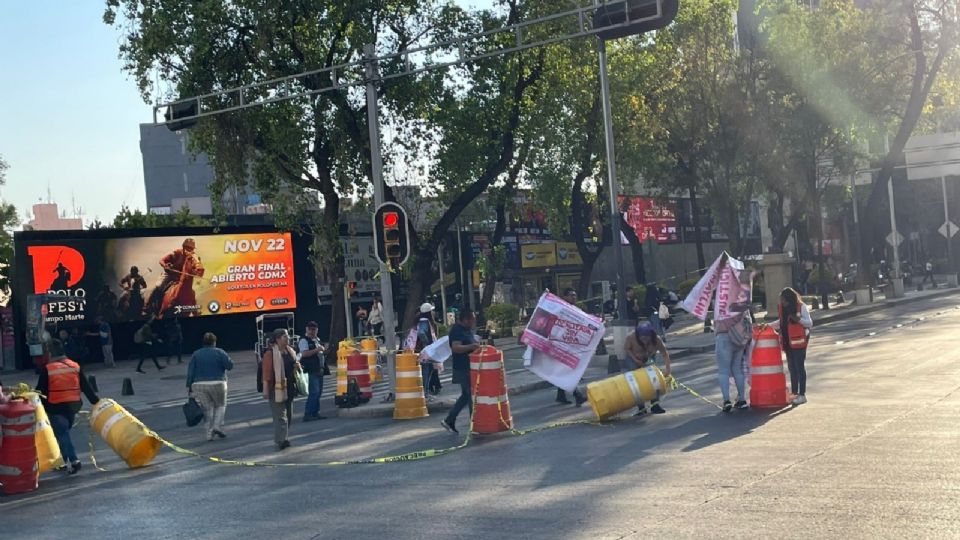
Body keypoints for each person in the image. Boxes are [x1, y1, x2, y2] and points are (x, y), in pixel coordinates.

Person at [36, 339, 100, 474]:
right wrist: (96, 401)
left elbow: (40, 391)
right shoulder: (74, 366)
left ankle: (74, 460)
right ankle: (63, 461)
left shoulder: (48, 369)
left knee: (62, 434)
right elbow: (86, 387)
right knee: (63, 433)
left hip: (55, 406)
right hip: (73, 406)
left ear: (50, 353)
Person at [769, 287, 813, 406]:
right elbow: (781, 322)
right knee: (792, 368)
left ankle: (802, 394)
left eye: (783, 300)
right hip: (788, 342)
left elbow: (809, 323)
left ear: (789, 299)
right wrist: (767, 326)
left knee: (799, 367)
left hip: (799, 341)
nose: (781, 302)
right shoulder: (782, 308)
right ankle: (794, 393)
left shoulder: (801, 307)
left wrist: (797, 319)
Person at [186, 332, 234, 441]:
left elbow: (191, 371)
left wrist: (189, 386)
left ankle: (208, 434)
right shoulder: (220, 352)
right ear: (214, 342)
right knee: (220, 405)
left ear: (203, 342)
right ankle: (216, 426)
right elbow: (229, 366)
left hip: (199, 384)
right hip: (218, 382)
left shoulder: (196, 354)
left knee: (207, 409)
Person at [261, 328, 301, 450]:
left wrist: (297, 366)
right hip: (276, 388)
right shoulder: (270, 353)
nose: (288, 338)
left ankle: (284, 437)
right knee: (280, 416)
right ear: (278, 339)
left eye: (288, 336)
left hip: (289, 387)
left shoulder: (290, 351)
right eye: (285, 337)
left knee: (288, 415)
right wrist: (265, 389)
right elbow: (266, 373)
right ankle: (281, 440)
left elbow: (294, 364)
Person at [440, 310, 480, 434]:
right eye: (472, 320)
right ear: (465, 320)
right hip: (462, 368)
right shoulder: (457, 330)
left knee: (466, 395)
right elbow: (456, 347)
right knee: (471, 395)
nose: (473, 322)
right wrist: (471, 347)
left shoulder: (467, 330)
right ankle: (475, 424)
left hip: (470, 366)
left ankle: (449, 420)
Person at [623, 323, 672, 415]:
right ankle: (641, 407)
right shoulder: (631, 337)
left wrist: (668, 369)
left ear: (651, 336)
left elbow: (665, 354)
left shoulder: (657, 340)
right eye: (642, 338)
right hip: (633, 358)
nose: (644, 340)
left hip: (649, 358)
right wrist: (635, 360)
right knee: (636, 382)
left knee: (654, 381)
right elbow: (626, 349)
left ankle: (655, 405)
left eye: (647, 338)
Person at [714, 301, 751, 412]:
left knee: (723, 371)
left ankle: (726, 401)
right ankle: (742, 399)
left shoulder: (722, 301)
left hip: (724, 336)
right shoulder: (741, 302)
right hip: (738, 337)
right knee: (737, 369)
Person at [555, 288, 587, 406]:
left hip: (570, 344)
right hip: (561, 344)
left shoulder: (575, 309)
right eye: (571, 295)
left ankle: (560, 395)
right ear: (565, 297)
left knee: (565, 370)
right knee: (567, 370)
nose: (574, 297)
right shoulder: (561, 309)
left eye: (575, 295)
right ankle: (578, 395)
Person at [298, 321, 327, 422]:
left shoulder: (317, 340)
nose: (311, 331)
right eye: (309, 329)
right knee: (314, 392)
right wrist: (317, 350)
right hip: (310, 370)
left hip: (319, 369)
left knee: (318, 392)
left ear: (317, 330)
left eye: (313, 329)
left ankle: (315, 412)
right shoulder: (304, 340)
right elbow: (304, 354)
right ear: (306, 329)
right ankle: (308, 413)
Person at [412, 303, 442, 397]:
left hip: (423, 351)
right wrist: (427, 345)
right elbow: (421, 333)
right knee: (426, 371)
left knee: (428, 370)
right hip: (425, 352)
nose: (433, 312)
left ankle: (426, 392)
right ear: (429, 312)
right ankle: (425, 393)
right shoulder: (425, 322)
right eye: (431, 311)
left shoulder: (420, 321)